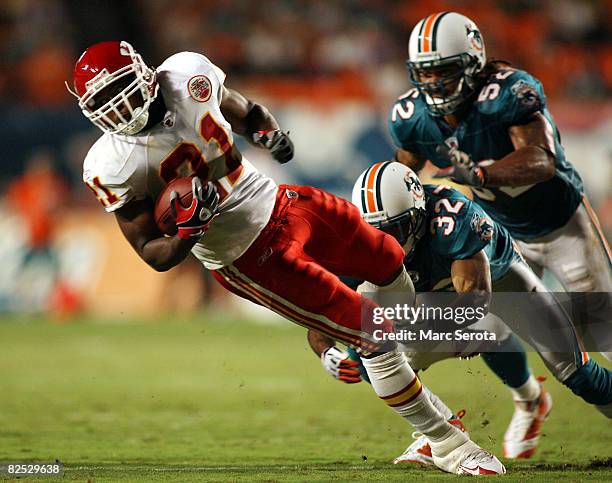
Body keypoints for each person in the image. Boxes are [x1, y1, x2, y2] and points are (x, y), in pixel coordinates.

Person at [68, 40, 505, 475]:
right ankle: (447, 442)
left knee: (387, 257)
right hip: (247, 256)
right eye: (102, 101)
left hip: (281, 201)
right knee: (375, 334)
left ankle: (408, 376)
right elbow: (152, 252)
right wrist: (189, 232)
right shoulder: (109, 164)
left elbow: (245, 112)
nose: (115, 107)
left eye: (117, 90)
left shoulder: (186, 72)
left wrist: (268, 134)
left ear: (143, 73)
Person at [308, 162, 612, 462]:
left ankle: (529, 398)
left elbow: (475, 302)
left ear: (419, 213)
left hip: (502, 282)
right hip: (428, 292)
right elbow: (320, 308)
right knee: (368, 358)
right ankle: (443, 431)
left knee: (577, 374)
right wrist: (327, 353)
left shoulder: (452, 218)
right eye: (377, 231)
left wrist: (436, 332)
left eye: (397, 228)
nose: (390, 240)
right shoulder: (355, 237)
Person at [388, 12, 611, 359]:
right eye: (424, 72)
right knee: (494, 329)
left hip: (562, 224)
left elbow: (541, 160)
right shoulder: (413, 117)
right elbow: (401, 177)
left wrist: (481, 175)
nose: (433, 83)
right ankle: (528, 402)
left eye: (443, 71)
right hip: (503, 233)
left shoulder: (506, 93)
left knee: (604, 332)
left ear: (472, 62)